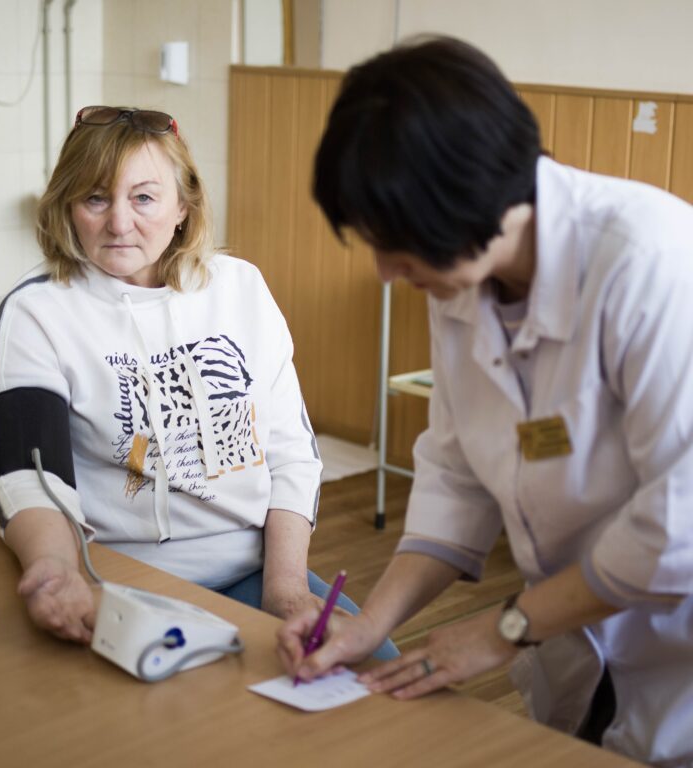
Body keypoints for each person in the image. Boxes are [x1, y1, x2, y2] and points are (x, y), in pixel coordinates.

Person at [276, 37, 693, 767]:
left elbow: (679, 525)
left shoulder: (651, 263)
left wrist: (506, 627)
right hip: (580, 634)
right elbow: (457, 470)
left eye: (398, 247)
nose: (384, 272)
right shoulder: (465, 272)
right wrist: (367, 626)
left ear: (473, 197)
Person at [0, 105, 397, 660]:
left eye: (144, 197)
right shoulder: (35, 311)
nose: (119, 223)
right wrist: (57, 570)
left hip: (258, 572)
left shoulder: (240, 288)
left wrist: (288, 591)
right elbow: (31, 477)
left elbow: (292, 456)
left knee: (377, 676)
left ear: (184, 205)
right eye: (95, 198)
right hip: (117, 578)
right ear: (66, 207)